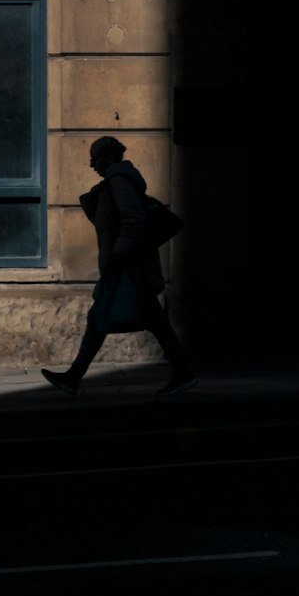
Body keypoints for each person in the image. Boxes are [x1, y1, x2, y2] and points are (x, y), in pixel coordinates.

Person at [41, 135, 196, 402]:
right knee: (107, 320)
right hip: (127, 267)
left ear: (108, 157)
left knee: (120, 319)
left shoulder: (119, 182)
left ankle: (75, 376)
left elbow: (133, 220)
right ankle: (74, 376)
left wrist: (120, 255)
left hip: (128, 269)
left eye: (94, 159)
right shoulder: (113, 184)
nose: (92, 165)